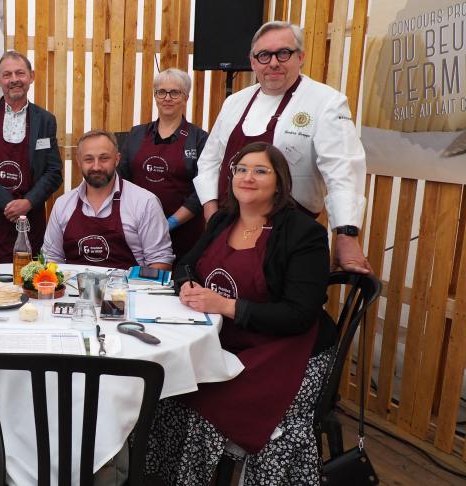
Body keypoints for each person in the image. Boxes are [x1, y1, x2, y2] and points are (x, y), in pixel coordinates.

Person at [145, 142, 336, 485]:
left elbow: (299, 315)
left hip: (286, 349)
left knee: (204, 401)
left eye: (261, 171)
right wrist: (187, 284)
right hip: (228, 338)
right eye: (242, 169)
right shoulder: (223, 219)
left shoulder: (303, 233)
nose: (248, 177)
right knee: (167, 387)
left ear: (280, 183)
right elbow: (186, 264)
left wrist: (225, 306)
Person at [193, 20, 371, 274]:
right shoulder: (235, 102)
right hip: (228, 231)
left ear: (300, 57)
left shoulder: (326, 102)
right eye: (264, 55)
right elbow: (209, 162)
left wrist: (346, 234)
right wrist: (212, 214)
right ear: (253, 61)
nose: (273, 63)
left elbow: (343, 170)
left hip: (286, 239)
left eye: (283, 53)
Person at [0, 51, 63, 265]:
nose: (14, 80)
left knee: (30, 283)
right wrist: (8, 204)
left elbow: (53, 172)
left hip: (30, 218)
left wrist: (28, 202)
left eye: (20, 73)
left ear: (31, 77)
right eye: (7, 75)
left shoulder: (45, 120)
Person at [42, 130, 173, 270]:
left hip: (128, 290)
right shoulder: (63, 204)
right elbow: (51, 258)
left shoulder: (145, 202)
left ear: (117, 159)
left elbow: (160, 262)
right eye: (89, 159)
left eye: (104, 158)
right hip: (74, 290)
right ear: (79, 162)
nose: (96, 166)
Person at [118, 68, 208, 259]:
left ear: (186, 97)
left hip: (183, 232)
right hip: (137, 231)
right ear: (155, 96)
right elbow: (121, 179)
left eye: (175, 92)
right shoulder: (136, 135)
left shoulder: (199, 139)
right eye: (161, 92)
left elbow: (201, 190)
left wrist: (171, 223)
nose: (167, 98)